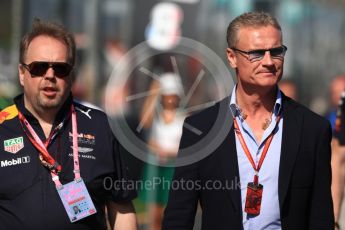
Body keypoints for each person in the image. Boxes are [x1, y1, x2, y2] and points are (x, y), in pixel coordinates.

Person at [162, 12, 334, 229]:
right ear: (232, 57)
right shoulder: (200, 129)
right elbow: (179, 216)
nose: (269, 61)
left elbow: (321, 216)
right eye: (256, 53)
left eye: (276, 51)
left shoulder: (312, 129)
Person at [0, 19, 137, 230]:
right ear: (21, 73)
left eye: (60, 68)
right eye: (39, 67)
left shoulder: (100, 127)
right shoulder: (2, 128)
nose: (50, 75)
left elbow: (122, 211)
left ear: (71, 75)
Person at [139, 73, 186, 230]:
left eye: (173, 95)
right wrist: (153, 92)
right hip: (156, 168)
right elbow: (145, 121)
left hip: (173, 169)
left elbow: (185, 148)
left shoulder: (184, 117)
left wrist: (168, 152)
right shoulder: (156, 116)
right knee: (154, 214)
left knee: (171, 213)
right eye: (166, 95)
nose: (170, 99)